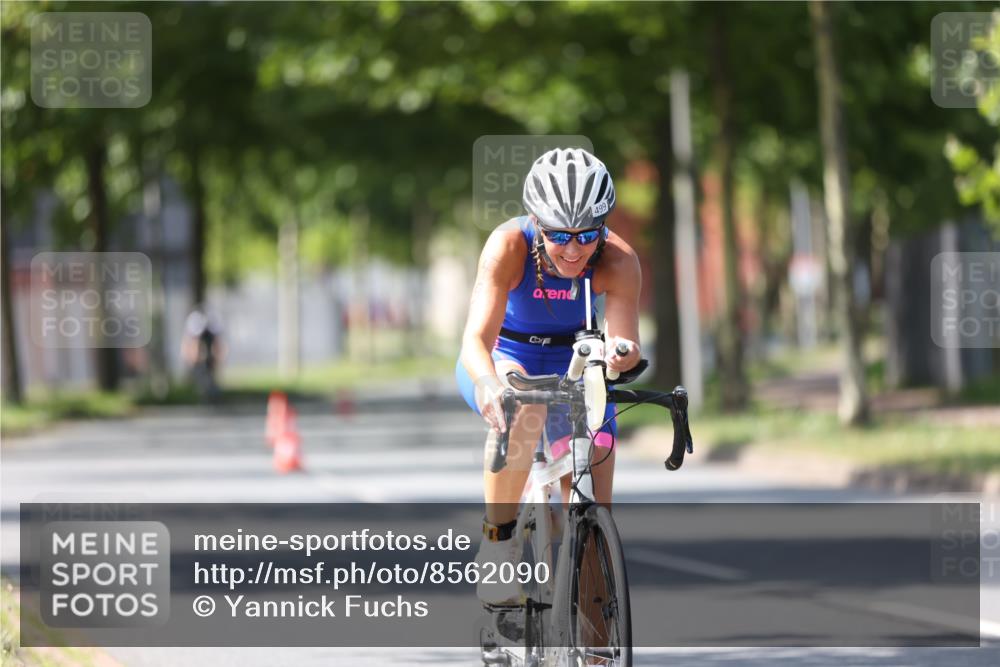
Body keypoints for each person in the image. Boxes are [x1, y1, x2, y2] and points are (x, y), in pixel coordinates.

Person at [456, 147, 641, 604]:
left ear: (603, 228)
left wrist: (622, 356)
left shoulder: (618, 260)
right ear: (537, 222)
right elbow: (475, 342)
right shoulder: (508, 245)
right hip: (506, 353)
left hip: (575, 359)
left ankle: (598, 640)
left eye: (587, 235)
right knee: (525, 409)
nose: (575, 249)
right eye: (559, 235)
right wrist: (490, 385)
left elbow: (623, 344)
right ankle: (497, 545)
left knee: (594, 469)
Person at [181, 304, 225, 401]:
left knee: (208, 363)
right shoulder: (195, 320)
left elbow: (217, 343)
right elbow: (192, 342)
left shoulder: (207, 321)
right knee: (201, 362)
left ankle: (210, 390)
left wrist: (217, 359)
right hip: (201, 335)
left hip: (207, 335)